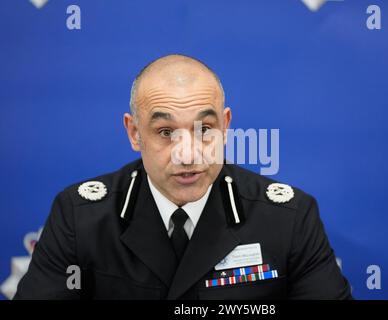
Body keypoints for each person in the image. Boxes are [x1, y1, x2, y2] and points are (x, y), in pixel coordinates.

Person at [14, 54, 352, 299]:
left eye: (204, 129)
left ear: (226, 126)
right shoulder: (80, 217)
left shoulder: (288, 218)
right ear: (134, 133)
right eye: (164, 131)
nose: (188, 153)